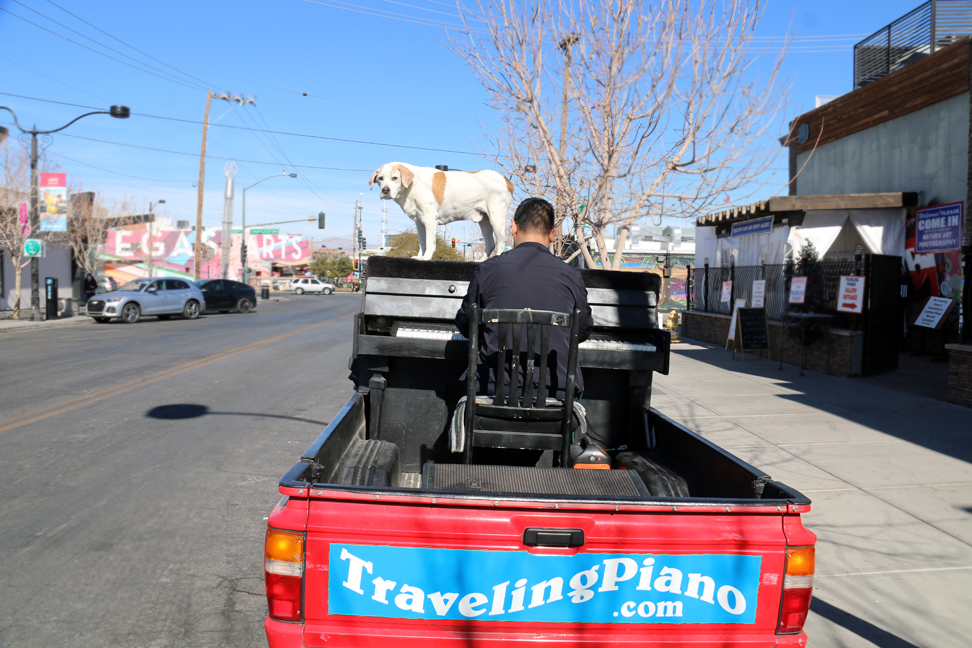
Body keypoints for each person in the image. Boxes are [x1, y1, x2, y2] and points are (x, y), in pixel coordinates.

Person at [455, 197, 594, 399]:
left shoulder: (487, 270)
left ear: (514, 227)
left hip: (490, 387)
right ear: (552, 234)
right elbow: (582, 330)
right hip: (555, 391)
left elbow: (466, 325)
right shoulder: (571, 276)